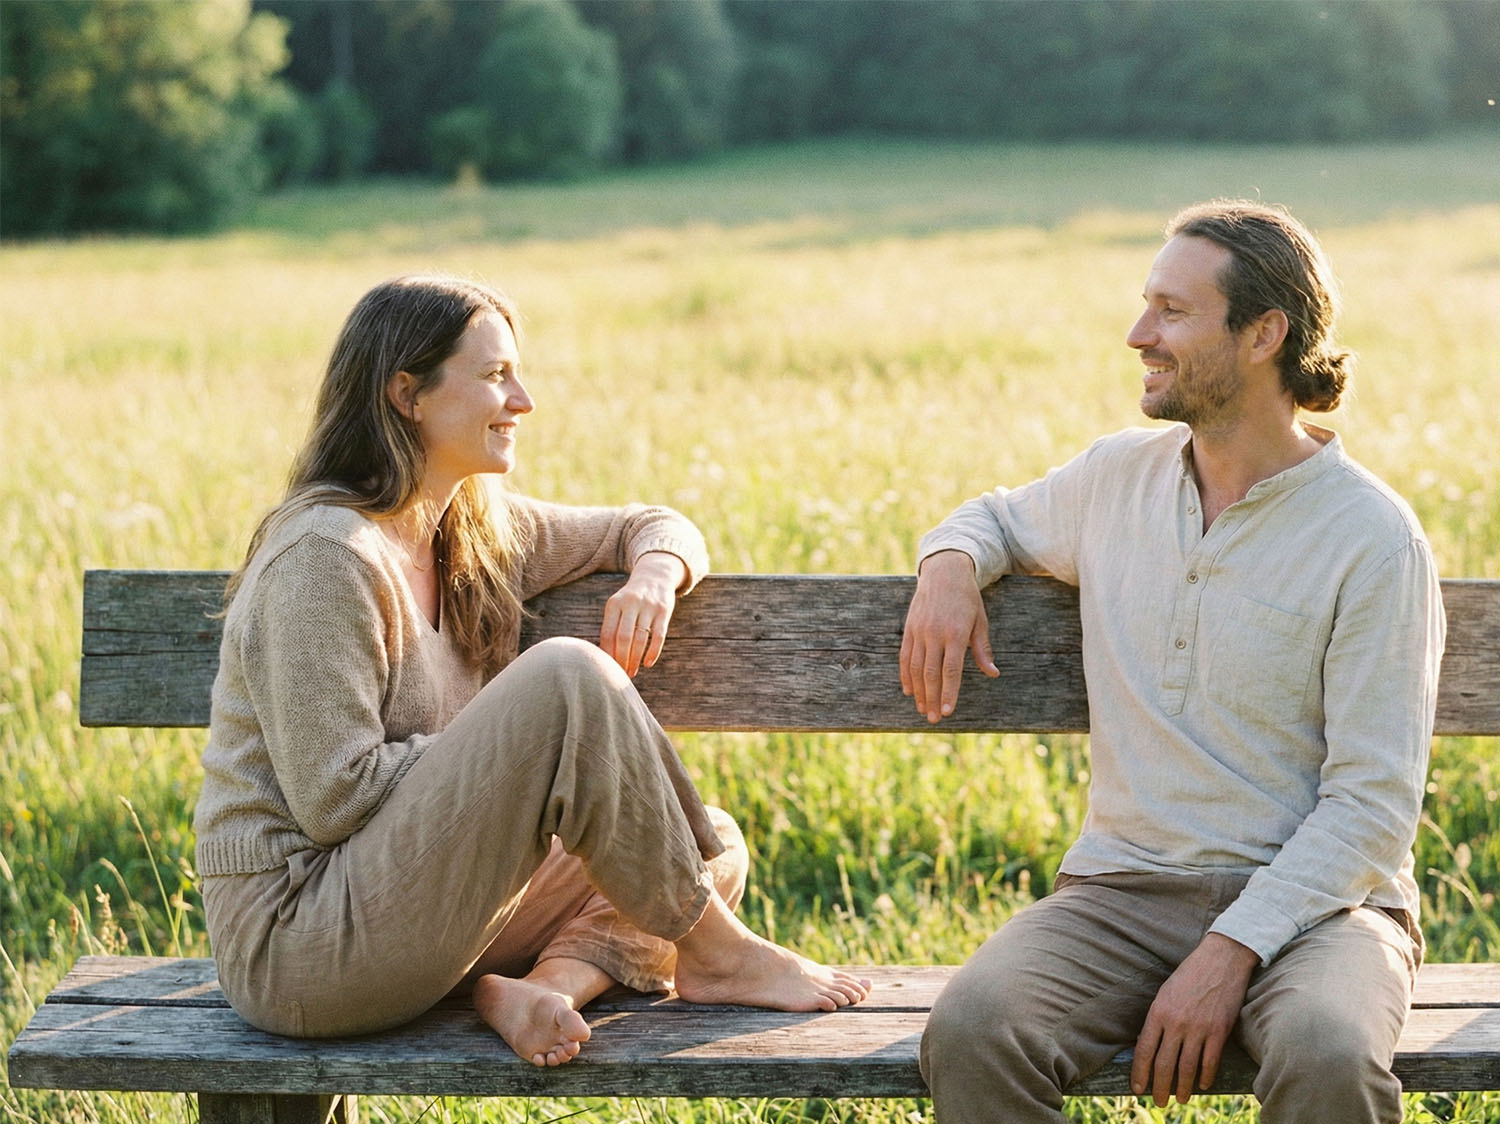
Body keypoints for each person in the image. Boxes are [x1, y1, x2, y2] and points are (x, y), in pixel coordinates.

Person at [194, 274, 868, 1068]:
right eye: (494, 376)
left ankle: (543, 988)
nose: (524, 400)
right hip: (301, 941)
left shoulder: (472, 531)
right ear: (406, 393)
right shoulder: (325, 558)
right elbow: (332, 797)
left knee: (705, 846)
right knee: (567, 678)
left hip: (410, 909)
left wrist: (654, 572)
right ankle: (721, 956)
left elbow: (650, 523)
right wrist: (509, 763)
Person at [900, 200, 1444, 1122]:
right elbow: (992, 516)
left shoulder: (1371, 538)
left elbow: (1373, 807)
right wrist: (949, 566)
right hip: (1121, 891)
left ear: (1265, 332)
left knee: (1328, 1053)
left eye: (1173, 313)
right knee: (974, 1030)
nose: (1137, 335)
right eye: (1146, 304)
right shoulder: (1116, 477)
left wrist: (1231, 949)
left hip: (1324, 909)